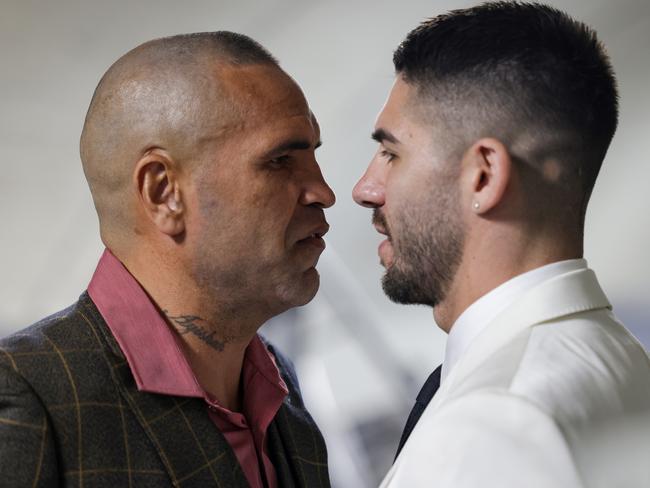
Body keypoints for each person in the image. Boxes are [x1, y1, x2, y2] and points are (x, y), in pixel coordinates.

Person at [0, 32, 335, 487]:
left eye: (314, 155)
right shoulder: (27, 395)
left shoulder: (279, 388)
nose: (324, 192)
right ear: (164, 192)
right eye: (279, 161)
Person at [352, 2, 650, 487]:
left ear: (484, 176)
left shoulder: (492, 424)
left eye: (391, 153)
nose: (365, 187)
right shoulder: (619, 358)